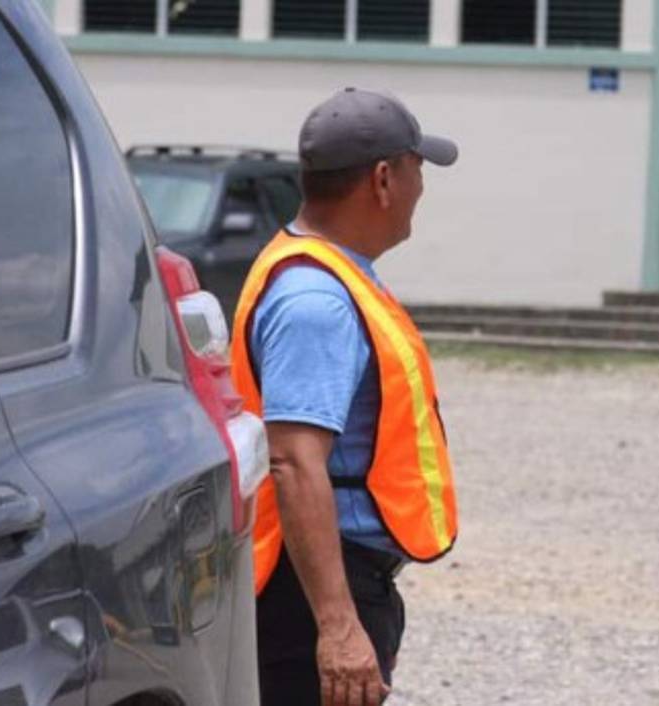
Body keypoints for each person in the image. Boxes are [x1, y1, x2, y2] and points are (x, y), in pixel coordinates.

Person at [229, 88, 460, 706]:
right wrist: (336, 625)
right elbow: (294, 460)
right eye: (418, 170)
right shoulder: (317, 301)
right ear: (384, 179)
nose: (422, 189)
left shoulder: (328, 271)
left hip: (325, 578)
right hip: (311, 591)